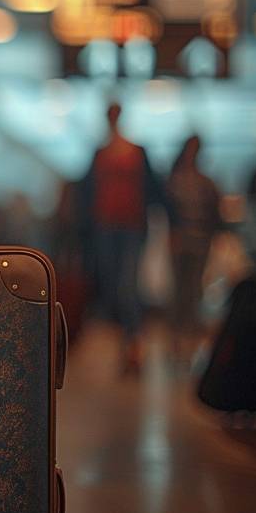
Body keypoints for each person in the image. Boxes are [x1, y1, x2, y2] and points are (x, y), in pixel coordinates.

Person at [79, 102, 170, 373]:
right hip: (105, 227)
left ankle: (133, 343)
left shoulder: (135, 152)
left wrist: (170, 221)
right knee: (112, 286)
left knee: (126, 285)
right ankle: (128, 343)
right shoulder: (100, 154)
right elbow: (86, 193)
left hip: (131, 227)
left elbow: (154, 189)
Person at [166, 135, 221, 355]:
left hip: (200, 241)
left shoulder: (206, 183)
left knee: (194, 286)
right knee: (179, 288)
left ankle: (188, 332)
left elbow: (215, 213)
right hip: (182, 240)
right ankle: (177, 334)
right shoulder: (176, 180)